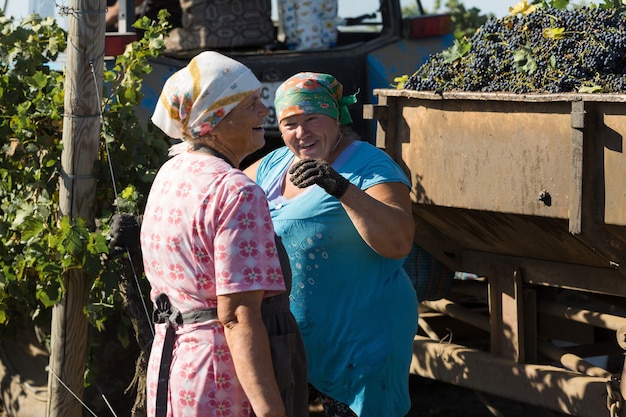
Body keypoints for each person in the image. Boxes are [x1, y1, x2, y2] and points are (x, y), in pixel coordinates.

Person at [140, 51, 307, 417]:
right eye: (252, 103)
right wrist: (270, 410)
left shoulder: (170, 174)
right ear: (216, 119)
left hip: (174, 368)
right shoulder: (237, 192)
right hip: (221, 377)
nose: (265, 112)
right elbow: (237, 317)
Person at [244, 73, 418, 417]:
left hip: (360, 343)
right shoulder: (274, 164)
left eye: (312, 118)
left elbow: (399, 241)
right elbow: (225, 194)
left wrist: (341, 188)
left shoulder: (368, 164)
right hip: (295, 344)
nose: (301, 132)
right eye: (290, 123)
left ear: (335, 117)